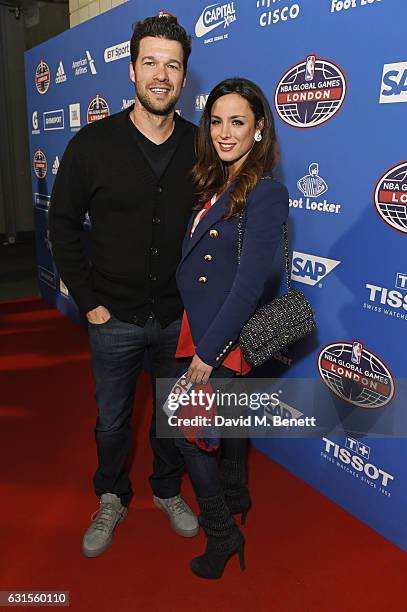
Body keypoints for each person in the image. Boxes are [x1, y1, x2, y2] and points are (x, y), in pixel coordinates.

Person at [48, 14, 199, 558]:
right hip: (112, 318)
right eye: (151, 63)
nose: (161, 75)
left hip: (178, 319)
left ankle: (167, 489)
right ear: (132, 69)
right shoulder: (93, 144)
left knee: (171, 416)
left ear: (184, 77)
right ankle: (111, 495)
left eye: (173, 65)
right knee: (111, 420)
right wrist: (89, 303)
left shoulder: (202, 147)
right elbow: (61, 225)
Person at [174, 77, 289, 578]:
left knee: (188, 434)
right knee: (229, 422)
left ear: (259, 129)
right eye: (217, 121)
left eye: (238, 122)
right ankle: (238, 492)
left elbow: (248, 285)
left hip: (218, 335)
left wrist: (207, 354)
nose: (225, 132)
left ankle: (223, 533)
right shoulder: (217, 182)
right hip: (200, 323)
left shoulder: (267, 193)